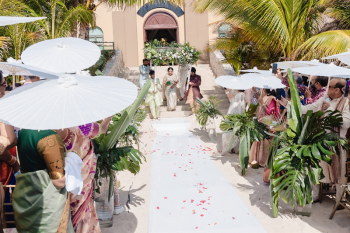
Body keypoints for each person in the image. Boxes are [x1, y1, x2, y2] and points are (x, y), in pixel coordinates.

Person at [280, 78, 350, 202]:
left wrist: (329, 110)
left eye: (329, 87)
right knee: (317, 168)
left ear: (337, 90)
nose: (326, 89)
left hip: (336, 144)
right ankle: (316, 195)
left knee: (339, 172)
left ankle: (339, 200)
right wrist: (289, 104)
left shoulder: (346, 103)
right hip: (320, 141)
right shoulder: (324, 99)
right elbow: (308, 109)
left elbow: (346, 123)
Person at [13, 129, 75, 232]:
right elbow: (59, 181)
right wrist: (74, 165)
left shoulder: (24, 131)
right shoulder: (49, 137)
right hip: (46, 202)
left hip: (25, 197)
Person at [56, 118, 111, 233]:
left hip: (60, 181)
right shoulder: (83, 126)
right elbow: (103, 129)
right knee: (83, 213)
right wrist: (107, 119)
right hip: (81, 182)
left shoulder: (46, 132)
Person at [249, 89, 280, 183]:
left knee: (265, 141)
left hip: (268, 122)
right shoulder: (263, 97)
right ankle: (256, 159)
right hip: (261, 121)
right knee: (259, 140)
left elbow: (269, 112)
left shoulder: (272, 99)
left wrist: (262, 103)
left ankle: (262, 160)